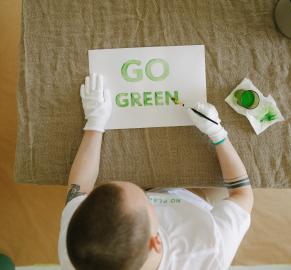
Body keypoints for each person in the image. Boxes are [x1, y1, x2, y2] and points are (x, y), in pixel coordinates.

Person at [58, 73, 254, 270]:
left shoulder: (78, 246)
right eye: (145, 201)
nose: (145, 193)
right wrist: (218, 134)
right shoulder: (212, 250)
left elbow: (79, 189)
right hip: (193, 197)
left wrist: (94, 123)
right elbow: (242, 194)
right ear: (156, 242)